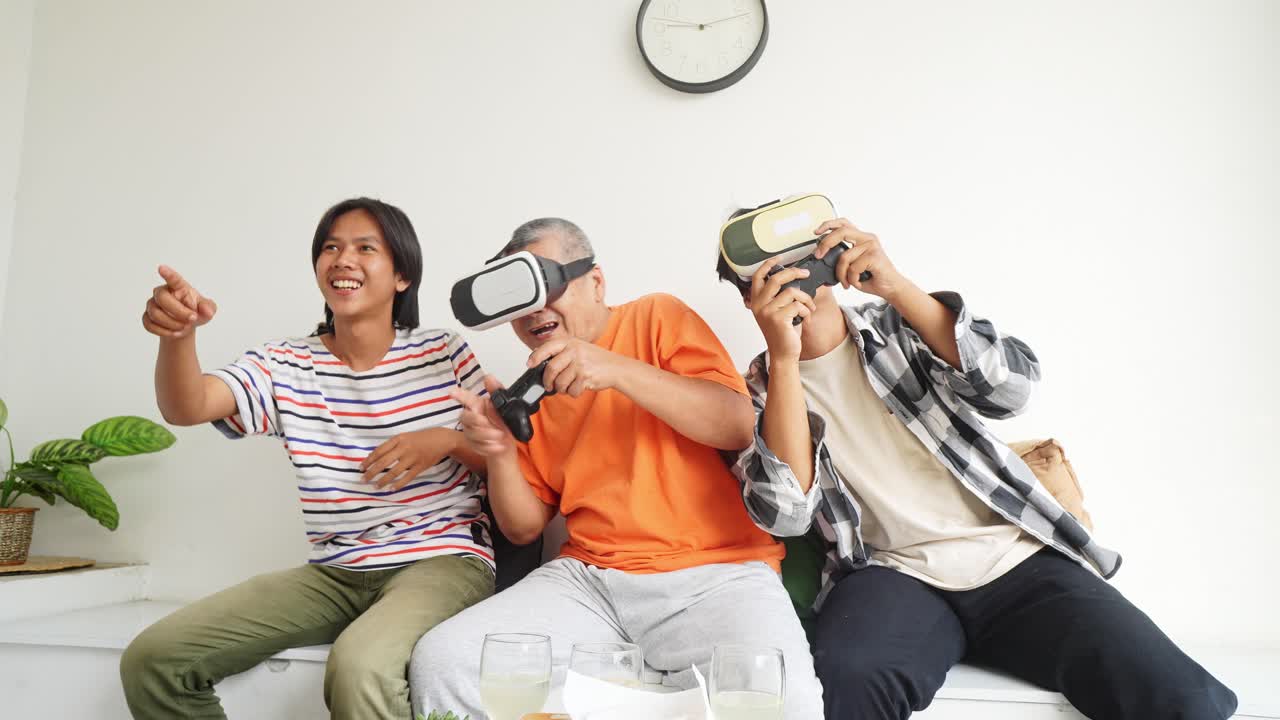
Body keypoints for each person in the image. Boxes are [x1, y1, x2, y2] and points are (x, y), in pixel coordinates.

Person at [716, 212, 1239, 720]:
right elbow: (785, 516)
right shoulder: (751, 399)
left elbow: (1015, 389)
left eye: (799, 257)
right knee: (846, 678)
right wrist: (783, 360)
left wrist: (897, 286)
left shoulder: (904, 327)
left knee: (1182, 697)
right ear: (747, 296)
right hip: (891, 575)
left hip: (1013, 559)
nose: (794, 276)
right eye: (768, 271)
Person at [409, 217, 824, 719]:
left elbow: (736, 424)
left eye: (546, 284)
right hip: (590, 582)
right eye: (518, 299)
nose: (535, 309)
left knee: (787, 702)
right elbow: (523, 528)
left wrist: (613, 369)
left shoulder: (657, 316)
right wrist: (498, 452)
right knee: (445, 662)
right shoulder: (531, 392)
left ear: (596, 283)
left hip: (718, 577)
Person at [121, 197, 496, 719]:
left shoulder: (443, 353)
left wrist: (446, 439)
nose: (343, 259)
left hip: (441, 559)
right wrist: (179, 336)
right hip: (335, 571)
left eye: (366, 248)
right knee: (155, 659)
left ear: (402, 276)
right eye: (331, 248)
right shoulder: (285, 363)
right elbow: (187, 406)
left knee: (361, 664)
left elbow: (500, 457)